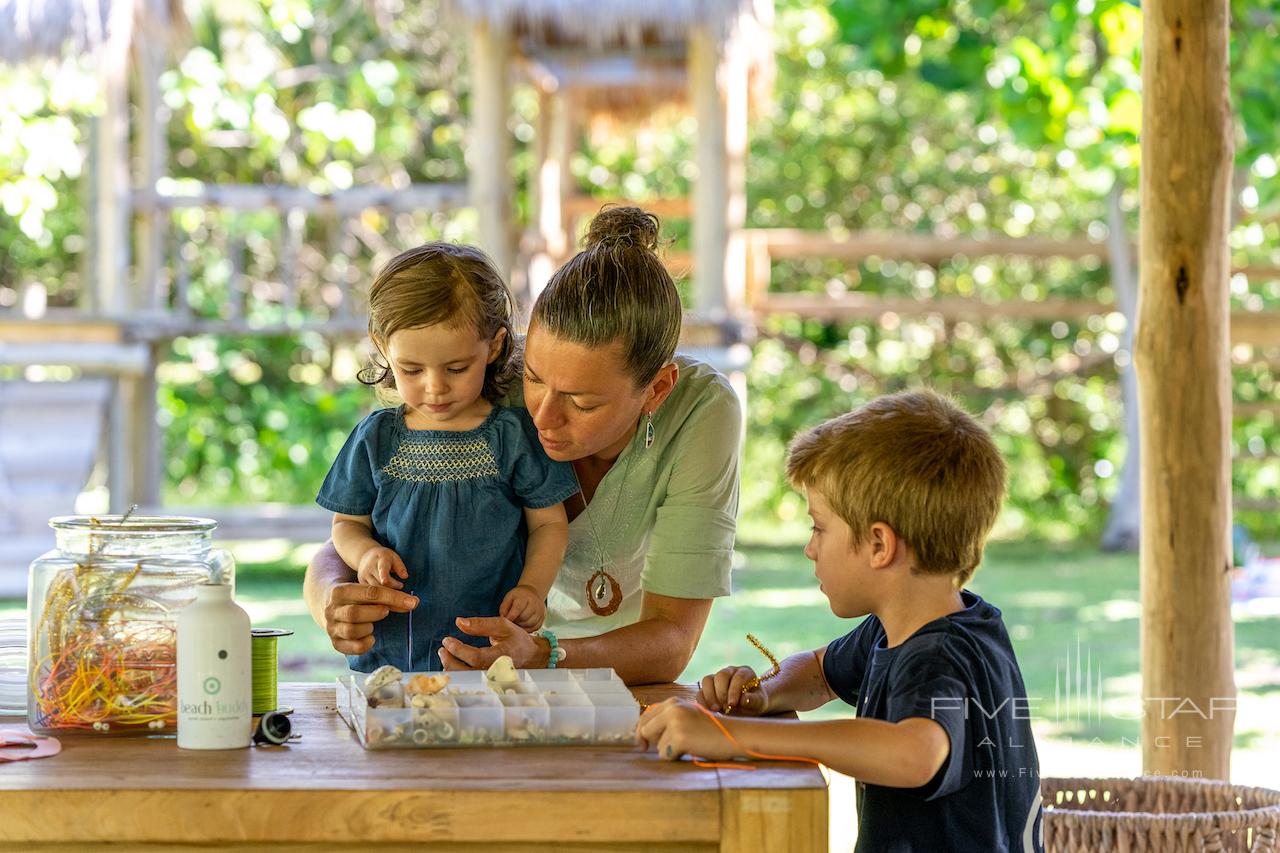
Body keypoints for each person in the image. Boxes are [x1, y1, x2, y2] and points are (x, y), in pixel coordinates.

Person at [304, 207, 742, 684]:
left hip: (609, 675)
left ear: (656, 390)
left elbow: (671, 640)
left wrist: (541, 653)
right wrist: (331, 598)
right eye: (534, 379)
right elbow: (349, 533)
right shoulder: (478, 375)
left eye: (581, 401)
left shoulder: (702, 412)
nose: (542, 417)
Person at [639, 390, 1044, 853]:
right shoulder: (916, 624)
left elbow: (914, 753)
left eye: (819, 528)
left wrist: (733, 737)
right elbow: (818, 673)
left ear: (879, 545)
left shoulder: (937, 657)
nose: (811, 548)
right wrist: (765, 694)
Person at [315, 242, 578, 673]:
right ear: (383, 347)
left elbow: (549, 523)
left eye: (456, 368)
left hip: (487, 654)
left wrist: (532, 587)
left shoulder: (512, 436)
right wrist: (364, 556)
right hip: (390, 656)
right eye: (412, 370)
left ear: (493, 347)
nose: (435, 388)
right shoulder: (375, 438)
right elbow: (347, 525)